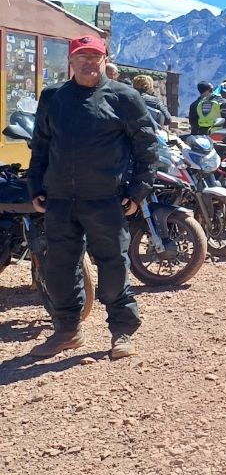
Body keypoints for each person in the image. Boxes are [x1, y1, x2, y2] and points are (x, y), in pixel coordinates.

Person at [27, 36, 156, 360]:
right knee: (59, 268)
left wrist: (137, 191)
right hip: (59, 200)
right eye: (81, 56)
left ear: (105, 59)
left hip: (105, 200)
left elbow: (147, 147)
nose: (88, 61)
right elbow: (41, 145)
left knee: (113, 266)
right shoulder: (53, 97)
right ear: (70, 61)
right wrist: (36, 187)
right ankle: (67, 331)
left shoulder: (124, 97)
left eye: (94, 56)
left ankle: (121, 331)